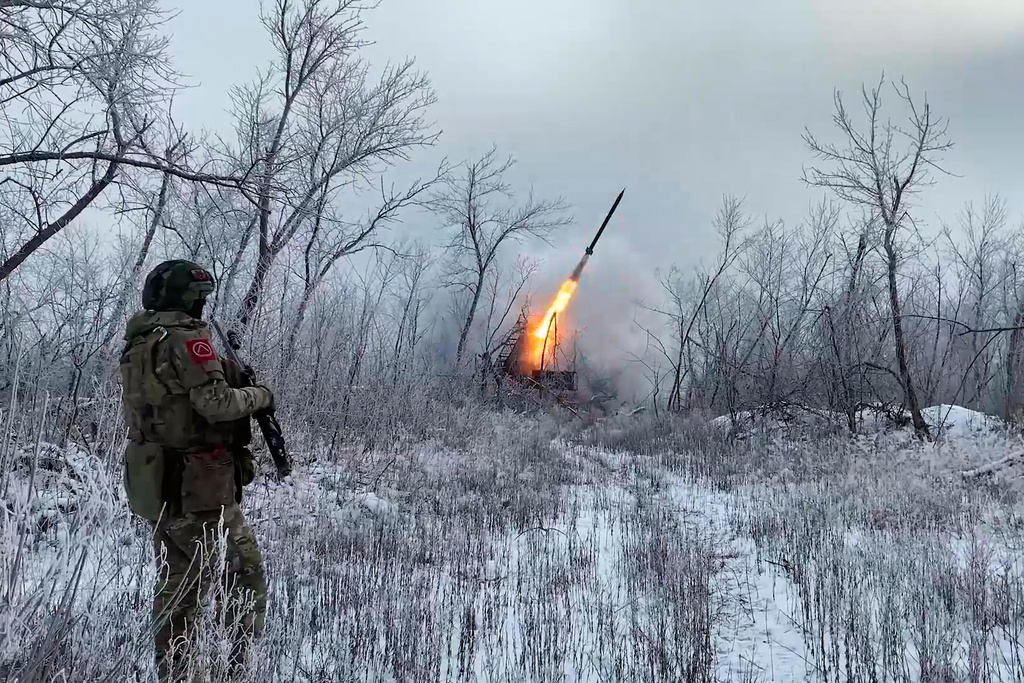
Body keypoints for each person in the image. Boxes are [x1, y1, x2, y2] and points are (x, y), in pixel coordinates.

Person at [119, 260, 274, 682]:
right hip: (199, 485)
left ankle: (182, 672)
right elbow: (216, 404)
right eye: (200, 298)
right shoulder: (187, 339)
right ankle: (227, 671)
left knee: (183, 581)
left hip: (158, 479)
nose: (203, 306)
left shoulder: (139, 341)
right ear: (188, 299)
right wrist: (259, 395)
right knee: (231, 577)